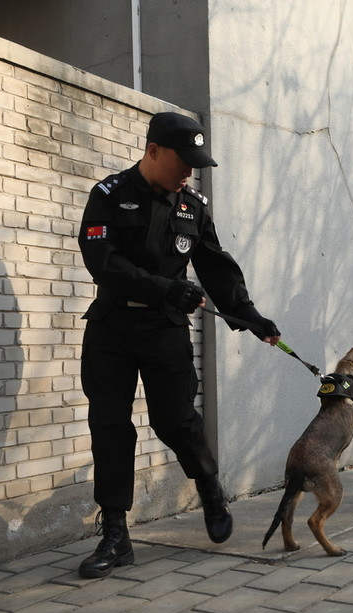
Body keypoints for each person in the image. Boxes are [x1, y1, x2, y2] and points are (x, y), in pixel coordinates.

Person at [76, 111, 280, 578]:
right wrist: (164, 288)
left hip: (164, 331)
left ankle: (208, 484)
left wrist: (249, 315)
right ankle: (115, 535)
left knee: (176, 420)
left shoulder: (192, 206)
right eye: (183, 161)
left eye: (195, 163)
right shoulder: (109, 195)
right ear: (153, 151)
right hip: (112, 327)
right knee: (109, 427)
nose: (189, 171)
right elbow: (101, 261)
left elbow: (216, 267)